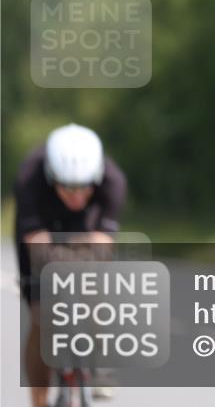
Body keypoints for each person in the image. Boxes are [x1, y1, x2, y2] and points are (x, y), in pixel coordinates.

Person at [14, 123, 127, 407]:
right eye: (68, 188)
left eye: (84, 188)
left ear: (97, 178)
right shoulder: (29, 178)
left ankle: (98, 364)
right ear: (52, 177)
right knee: (41, 315)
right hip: (43, 229)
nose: (76, 195)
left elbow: (102, 243)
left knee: (94, 293)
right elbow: (36, 243)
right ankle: (38, 400)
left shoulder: (113, 181)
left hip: (85, 229)